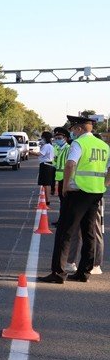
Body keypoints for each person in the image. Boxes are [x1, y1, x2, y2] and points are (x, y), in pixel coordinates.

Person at [38, 114, 110, 284]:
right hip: (96, 193)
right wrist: (105, 184)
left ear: (78, 128)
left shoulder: (79, 143)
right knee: (89, 232)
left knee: (65, 232)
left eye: (72, 129)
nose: (71, 133)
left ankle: (58, 273)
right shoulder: (103, 145)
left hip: (78, 192)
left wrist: (65, 186)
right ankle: (84, 272)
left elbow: (70, 164)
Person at [37, 131, 55, 205]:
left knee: (46, 184)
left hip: (46, 165)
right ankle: (46, 200)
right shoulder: (49, 146)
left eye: (42, 137)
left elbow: (39, 154)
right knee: (45, 184)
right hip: (47, 165)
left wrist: (29, 151)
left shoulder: (47, 146)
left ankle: (47, 201)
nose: (41, 139)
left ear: (45, 138)